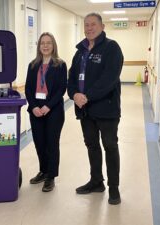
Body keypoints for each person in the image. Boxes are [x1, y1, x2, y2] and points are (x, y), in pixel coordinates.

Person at [67, 13, 124, 205]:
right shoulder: (80, 51)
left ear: (102, 26)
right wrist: (74, 94)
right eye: (86, 25)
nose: (89, 28)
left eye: (93, 24)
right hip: (85, 110)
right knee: (91, 145)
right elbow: (72, 78)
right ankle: (96, 181)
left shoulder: (111, 48)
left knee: (110, 146)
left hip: (106, 109)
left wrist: (87, 96)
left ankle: (114, 188)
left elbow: (109, 78)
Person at [25, 32, 67, 192]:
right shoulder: (33, 65)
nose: (45, 45)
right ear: (39, 46)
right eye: (42, 43)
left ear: (53, 45)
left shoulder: (60, 65)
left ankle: (51, 176)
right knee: (39, 143)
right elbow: (29, 88)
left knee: (52, 143)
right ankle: (43, 171)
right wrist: (34, 106)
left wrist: (48, 106)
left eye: (49, 42)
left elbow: (61, 89)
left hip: (53, 110)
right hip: (35, 110)